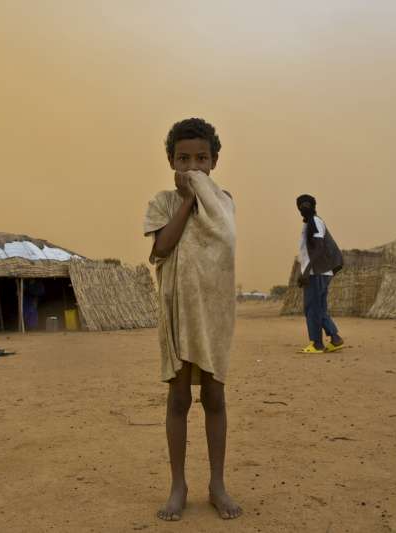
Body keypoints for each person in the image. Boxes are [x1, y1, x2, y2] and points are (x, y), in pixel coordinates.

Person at [144, 118, 242, 521]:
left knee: (214, 398)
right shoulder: (162, 202)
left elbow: (227, 244)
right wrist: (186, 200)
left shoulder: (225, 201)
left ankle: (217, 484)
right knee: (180, 398)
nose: (193, 167)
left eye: (201, 158)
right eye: (184, 159)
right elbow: (162, 249)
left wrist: (203, 197)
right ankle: (178, 485)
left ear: (214, 161)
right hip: (177, 311)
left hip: (213, 312)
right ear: (171, 161)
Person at [296, 194, 344, 353]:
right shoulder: (310, 223)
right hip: (319, 272)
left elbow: (319, 247)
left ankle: (317, 344)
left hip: (317, 272)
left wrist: (307, 271)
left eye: (307, 204)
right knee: (319, 308)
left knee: (312, 308)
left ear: (313, 206)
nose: (304, 207)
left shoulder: (315, 222)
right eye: (301, 205)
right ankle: (335, 339)